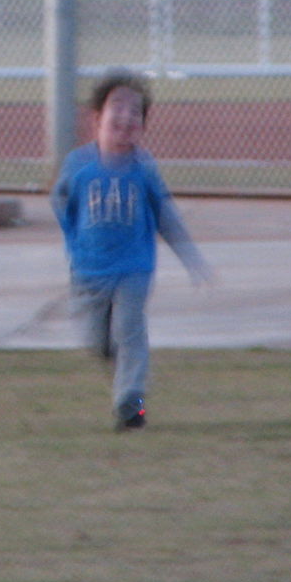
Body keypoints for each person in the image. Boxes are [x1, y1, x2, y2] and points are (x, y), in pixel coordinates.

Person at [50, 70, 214, 432]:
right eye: (118, 107)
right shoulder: (78, 166)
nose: (126, 116)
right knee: (98, 343)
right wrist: (75, 243)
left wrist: (190, 256)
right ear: (97, 118)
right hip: (88, 273)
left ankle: (133, 403)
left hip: (134, 269)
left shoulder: (144, 169)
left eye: (135, 111)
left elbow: (165, 215)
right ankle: (128, 379)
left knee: (130, 334)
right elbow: (61, 202)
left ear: (142, 125)